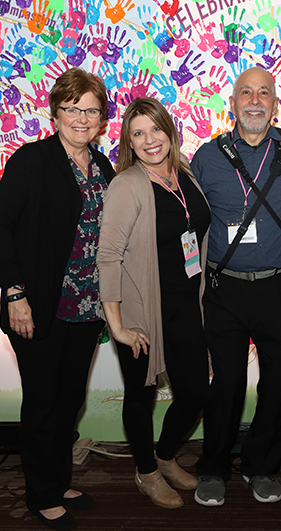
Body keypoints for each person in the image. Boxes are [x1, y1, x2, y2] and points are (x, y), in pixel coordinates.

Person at [0, 68, 115, 531]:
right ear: (55, 112)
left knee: (69, 400)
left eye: (91, 110)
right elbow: (1, 229)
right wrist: (15, 293)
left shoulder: (102, 166)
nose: (82, 118)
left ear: (102, 118)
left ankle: (59, 482)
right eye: (73, 108)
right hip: (40, 306)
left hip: (88, 307)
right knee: (43, 402)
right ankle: (41, 494)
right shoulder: (32, 160)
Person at [190, 66, 281, 506]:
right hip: (225, 287)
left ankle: (262, 465)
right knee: (226, 382)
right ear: (233, 103)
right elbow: (181, 208)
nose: (254, 101)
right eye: (246, 93)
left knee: (279, 380)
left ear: (275, 103)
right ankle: (213, 467)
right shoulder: (207, 156)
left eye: (263, 93)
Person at [97, 98, 212, 509]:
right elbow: (108, 257)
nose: (149, 140)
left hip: (186, 304)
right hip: (141, 310)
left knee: (195, 393)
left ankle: (164, 456)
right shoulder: (127, 185)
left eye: (156, 129)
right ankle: (146, 471)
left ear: (169, 130)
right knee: (140, 396)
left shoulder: (184, 174)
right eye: (138, 133)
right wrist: (117, 326)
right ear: (129, 142)